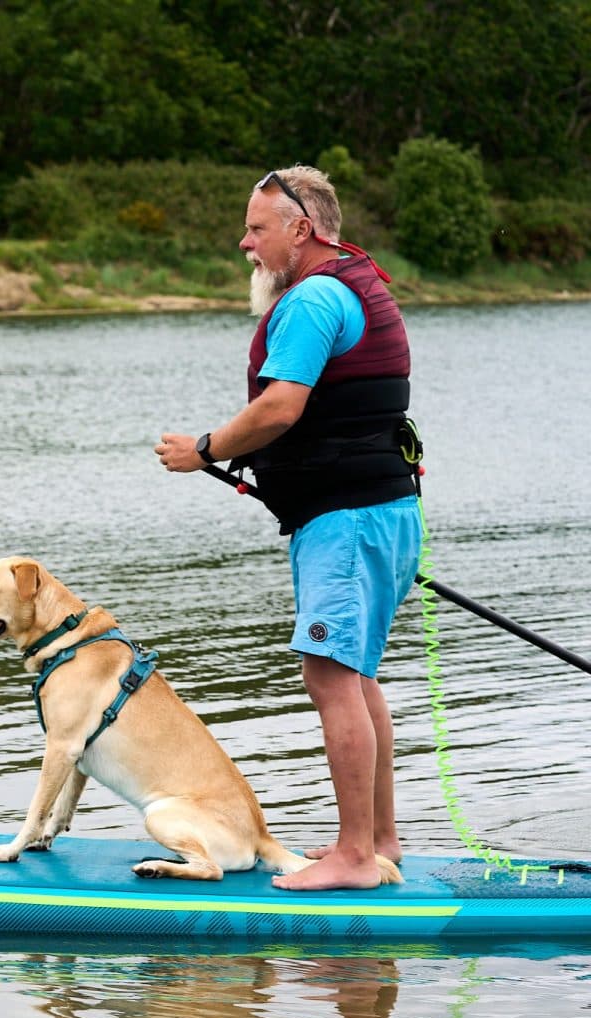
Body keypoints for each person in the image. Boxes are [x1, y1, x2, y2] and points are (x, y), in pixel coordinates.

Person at [154, 165, 422, 891]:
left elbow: (279, 408)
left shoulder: (312, 299)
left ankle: (355, 858)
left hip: (348, 520)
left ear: (301, 230)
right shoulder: (353, 285)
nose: (246, 244)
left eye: (256, 229)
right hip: (381, 512)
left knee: (330, 676)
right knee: (354, 676)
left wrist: (204, 449)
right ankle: (379, 841)